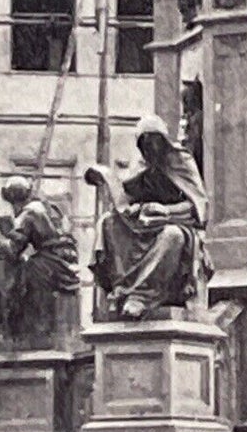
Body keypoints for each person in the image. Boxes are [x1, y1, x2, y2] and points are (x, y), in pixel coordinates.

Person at [87, 115, 210, 321]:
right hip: (145, 225)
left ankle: (142, 295)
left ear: (164, 140)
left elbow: (199, 208)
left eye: (155, 140)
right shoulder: (143, 165)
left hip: (178, 224)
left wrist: (166, 211)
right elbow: (129, 197)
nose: (151, 147)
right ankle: (121, 290)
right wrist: (135, 208)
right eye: (145, 142)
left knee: (172, 236)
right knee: (107, 223)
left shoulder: (181, 160)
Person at [0, 175, 82, 350]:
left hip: (49, 267)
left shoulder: (29, 213)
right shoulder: (49, 207)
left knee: (4, 272)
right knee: (9, 270)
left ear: (13, 200)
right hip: (64, 264)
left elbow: (10, 251)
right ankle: (9, 328)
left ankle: (10, 330)